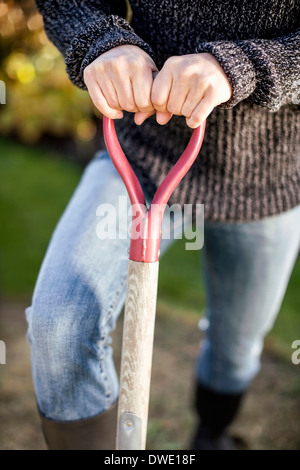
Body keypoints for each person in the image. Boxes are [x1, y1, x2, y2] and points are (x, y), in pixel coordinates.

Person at [26, 0, 300, 450]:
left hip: (268, 177)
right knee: (61, 326)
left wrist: (242, 66)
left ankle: (210, 437)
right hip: (145, 158)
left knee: (236, 351)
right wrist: (101, 41)